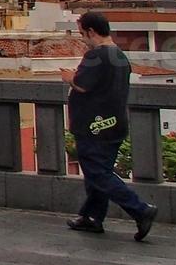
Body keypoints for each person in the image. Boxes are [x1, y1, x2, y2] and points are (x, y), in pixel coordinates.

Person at [60, 12, 158, 241]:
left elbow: (83, 85)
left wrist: (69, 77)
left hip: (94, 125)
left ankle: (140, 210)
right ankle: (92, 217)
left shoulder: (96, 56)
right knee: (98, 171)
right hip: (114, 123)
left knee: (98, 172)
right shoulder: (119, 56)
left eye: (82, 32)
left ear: (91, 31)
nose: (82, 37)